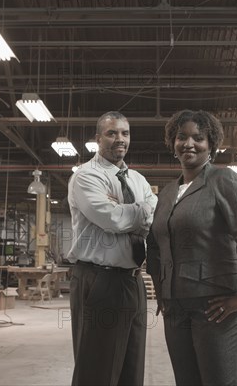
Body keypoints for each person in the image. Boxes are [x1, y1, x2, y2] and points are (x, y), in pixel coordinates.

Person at [146, 109, 237, 385]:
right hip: (175, 306)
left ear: (211, 144)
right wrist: (161, 289)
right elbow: (154, 244)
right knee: (186, 380)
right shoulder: (167, 193)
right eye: (182, 137)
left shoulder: (223, 180)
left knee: (219, 379)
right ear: (172, 142)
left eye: (198, 138)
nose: (189, 144)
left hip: (215, 304)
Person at [67, 111, 157, 386]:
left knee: (132, 368)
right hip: (99, 279)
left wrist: (127, 212)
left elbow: (153, 217)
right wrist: (137, 213)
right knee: (97, 371)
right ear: (98, 139)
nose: (120, 139)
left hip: (132, 280)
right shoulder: (86, 177)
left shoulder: (138, 180)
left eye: (125, 133)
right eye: (112, 133)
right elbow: (111, 218)